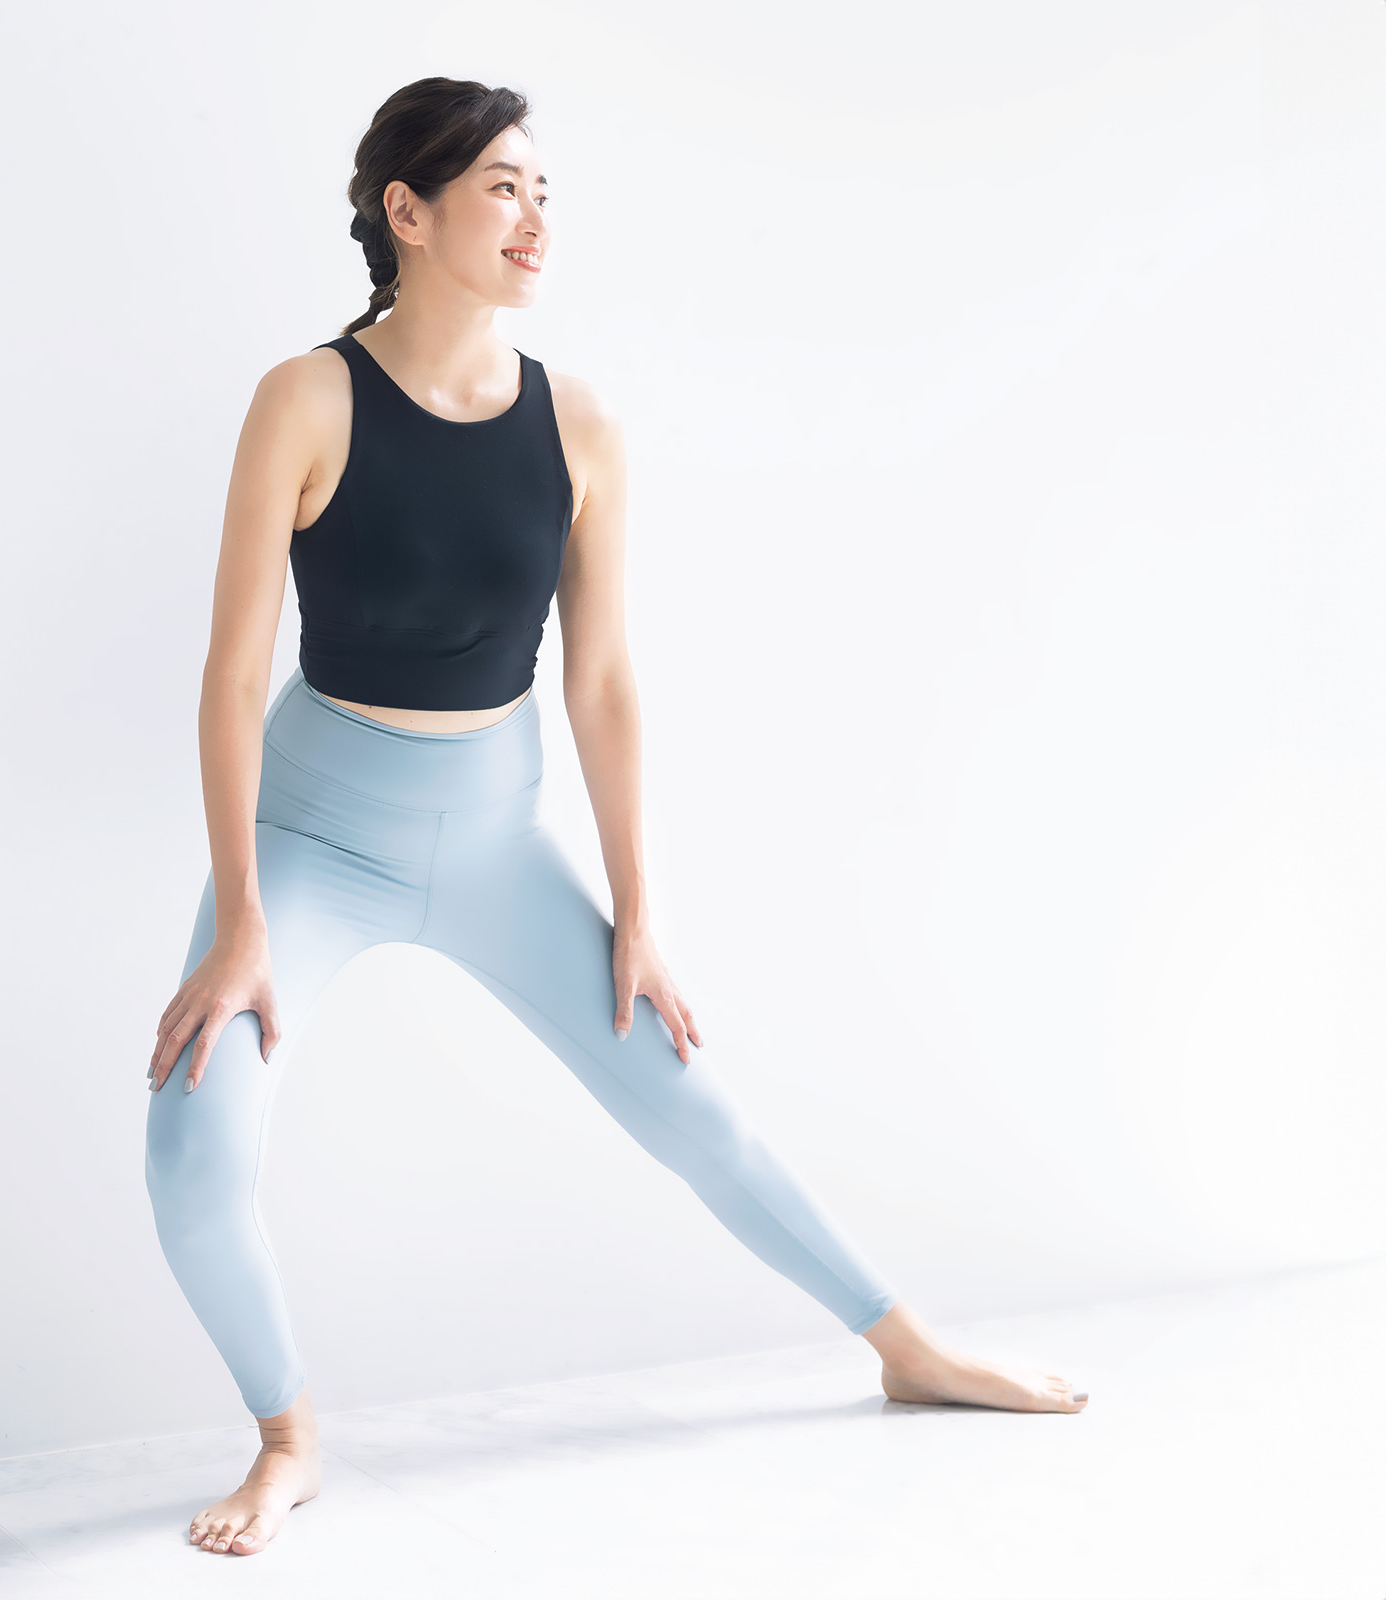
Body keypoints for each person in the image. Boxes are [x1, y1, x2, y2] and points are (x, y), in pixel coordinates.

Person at [143, 76, 1088, 1560]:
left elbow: (601, 682)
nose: (535, 217)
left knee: (689, 1101)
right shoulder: (307, 398)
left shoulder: (578, 423)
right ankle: (288, 1437)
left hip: (496, 837)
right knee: (192, 1150)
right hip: (310, 840)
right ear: (408, 212)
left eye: (544, 190)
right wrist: (242, 918)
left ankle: (905, 1344)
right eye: (502, 188)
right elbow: (229, 672)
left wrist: (639, 912)